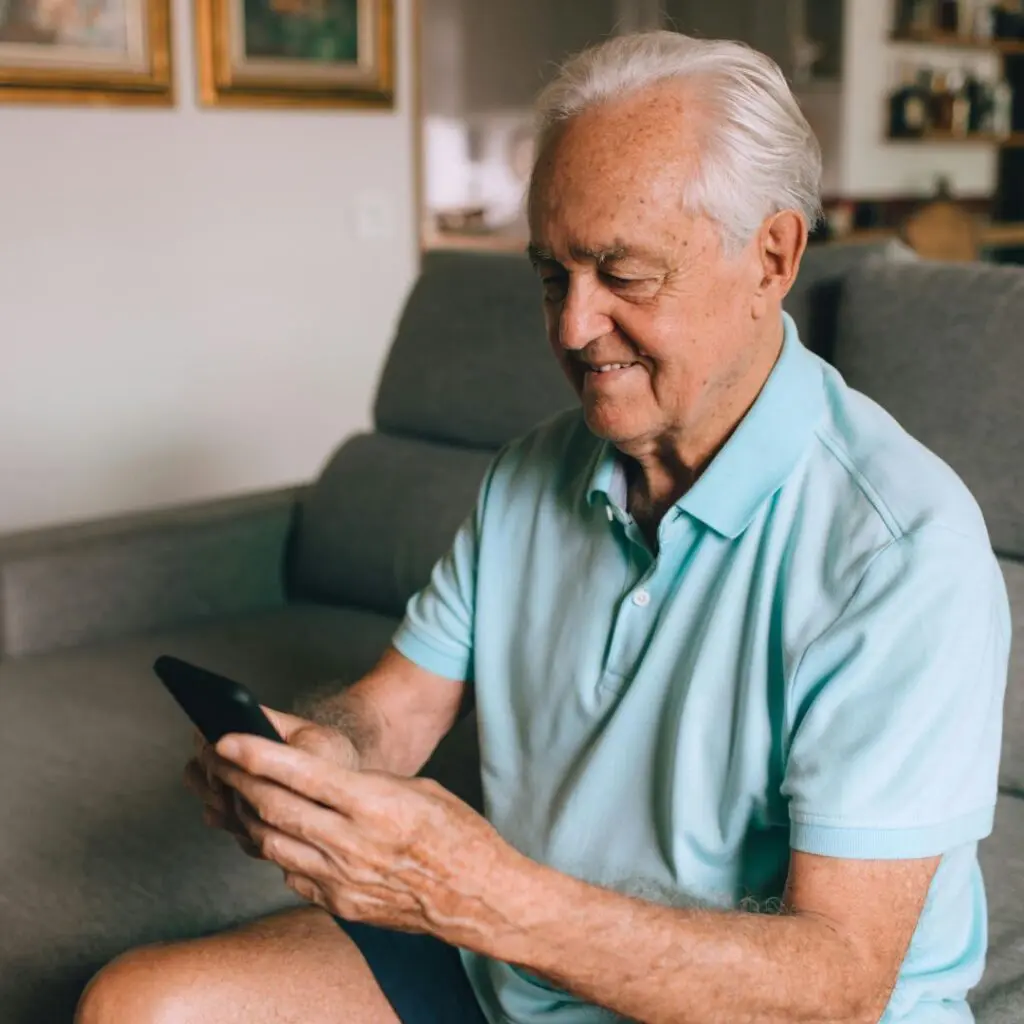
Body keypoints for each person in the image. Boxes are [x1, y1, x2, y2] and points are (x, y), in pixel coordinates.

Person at [76, 30, 1010, 1024]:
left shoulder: (898, 551)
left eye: (623, 272)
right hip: (515, 971)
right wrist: (321, 760)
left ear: (771, 257)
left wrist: (481, 891)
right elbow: (398, 707)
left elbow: (835, 984)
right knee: (139, 1007)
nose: (570, 326)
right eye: (552, 273)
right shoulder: (529, 472)